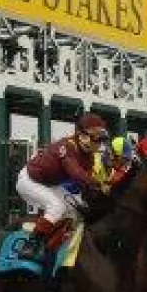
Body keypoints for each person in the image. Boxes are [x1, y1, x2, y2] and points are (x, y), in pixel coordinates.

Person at [16, 113, 110, 280]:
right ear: (83, 136)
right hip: (29, 180)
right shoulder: (67, 146)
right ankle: (31, 244)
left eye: (102, 140)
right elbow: (75, 173)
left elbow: (85, 185)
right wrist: (98, 184)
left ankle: (58, 244)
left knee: (77, 206)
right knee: (56, 206)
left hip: (50, 184)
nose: (99, 145)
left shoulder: (87, 155)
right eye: (97, 140)